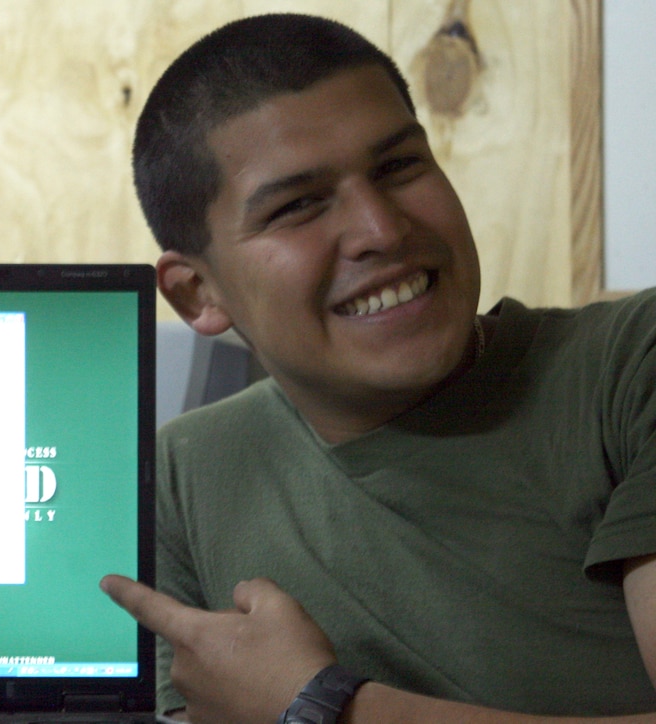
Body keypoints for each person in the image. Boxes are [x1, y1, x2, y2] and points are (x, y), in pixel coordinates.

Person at [99, 12, 656, 724]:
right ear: (196, 293)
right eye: (299, 206)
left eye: (399, 167)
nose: (383, 229)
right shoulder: (173, 481)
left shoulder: (630, 365)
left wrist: (326, 708)